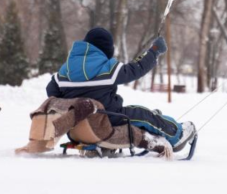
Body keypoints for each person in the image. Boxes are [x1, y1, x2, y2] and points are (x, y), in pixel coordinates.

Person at [46, 26, 196, 152]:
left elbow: (51, 91)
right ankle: (177, 135)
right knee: (142, 114)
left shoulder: (64, 70)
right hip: (105, 120)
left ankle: (160, 123)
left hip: (75, 127)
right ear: (106, 48)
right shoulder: (105, 67)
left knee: (138, 113)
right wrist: (154, 51)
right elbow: (135, 69)